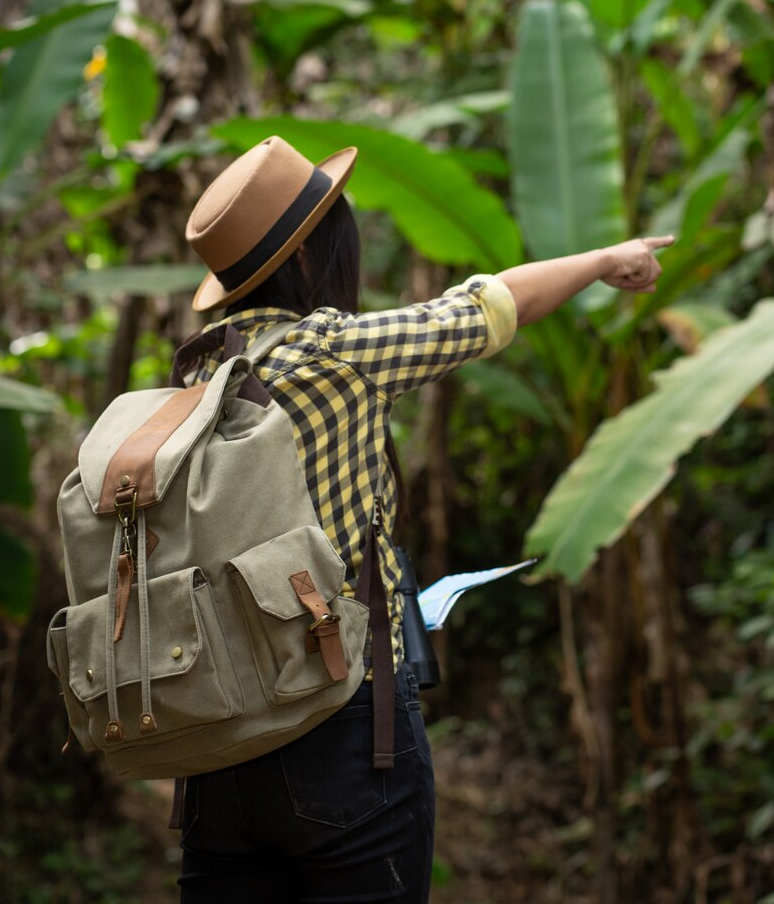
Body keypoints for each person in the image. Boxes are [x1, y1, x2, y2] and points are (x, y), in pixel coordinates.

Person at [173, 135, 670, 903]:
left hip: (210, 749)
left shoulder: (196, 372)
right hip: (336, 727)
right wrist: (609, 258)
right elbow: (491, 306)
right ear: (310, 258)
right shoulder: (334, 352)